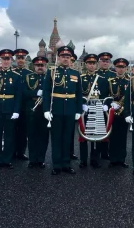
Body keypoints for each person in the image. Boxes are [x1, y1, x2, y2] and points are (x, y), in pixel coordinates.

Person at [43, 46, 83, 175]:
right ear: (59, 58)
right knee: (56, 138)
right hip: (56, 109)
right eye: (63, 56)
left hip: (70, 110)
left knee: (67, 138)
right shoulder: (52, 72)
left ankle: (66, 163)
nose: (65, 59)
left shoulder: (75, 74)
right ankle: (56, 165)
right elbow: (46, 92)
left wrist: (78, 110)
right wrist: (46, 109)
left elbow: (78, 93)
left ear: (70, 58)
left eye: (67, 57)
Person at [0, 49, 22, 170]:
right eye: (4, 59)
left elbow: (18, 95)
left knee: (9, 135)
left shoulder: (16, 76)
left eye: (8, 59)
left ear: (11, 60)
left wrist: (16, 111)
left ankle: (7, 160)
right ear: (0, 60)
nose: (6, 61)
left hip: (10, 108)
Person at [79, 54, 109, 169]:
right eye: (89, 63)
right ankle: (83, 160)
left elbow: (107, 96)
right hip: (85, 109)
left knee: (96, 135)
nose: (91, 65)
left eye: (93, 63)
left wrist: (105, 105)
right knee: (83, 135)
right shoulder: (81, 78)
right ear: (86, 64)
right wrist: (81, 105)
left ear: (96, 64)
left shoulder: (102, 80)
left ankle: (94, 159)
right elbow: (78, 95)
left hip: (97, 108)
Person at [25, 56, 50, 169]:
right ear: (34, 66)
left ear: (46, 66)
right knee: (32, 135)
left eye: (42, 65)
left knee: (43, 136)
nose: (40, 67)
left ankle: (41, 159)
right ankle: (32, 159)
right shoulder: (28, 77)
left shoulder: (50, 78)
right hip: (32, 109)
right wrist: (35, 92)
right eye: (38, 65)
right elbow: (23, 92)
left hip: (44, 110)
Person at [108, 58, 131, 168]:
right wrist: (110, 103)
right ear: (115, 68)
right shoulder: (110, 81)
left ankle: (121, 159)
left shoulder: (129, 81)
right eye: (118, 67)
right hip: (112, 113)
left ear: (125, 68)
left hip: (124, 113)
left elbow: (131, 98)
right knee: (113, 136)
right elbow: (106, 96)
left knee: (123, 137)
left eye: (123, 67)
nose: (120, 69)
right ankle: (113, 159)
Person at [13, 48, 33, 160]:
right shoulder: (11, 72)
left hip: (25, 107)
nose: (20, 60)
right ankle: (12, 152)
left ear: (25, 59)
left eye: (22, 58)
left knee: (23, 131)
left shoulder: (30, 74)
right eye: (18, 58)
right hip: (12, 106)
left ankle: (21, 152)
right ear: (16, 59)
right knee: (11, 131)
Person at [96, 52, 116, 160]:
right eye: (103, 61)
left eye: (107, 61)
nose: (105, 63)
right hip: (96, 106)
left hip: (108, 108)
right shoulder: (95, 74)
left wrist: (109, 105)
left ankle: (106, 152)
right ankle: (97, 152)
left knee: (108, 129)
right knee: (98, 129)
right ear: (99, 62)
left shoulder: (113, 75)